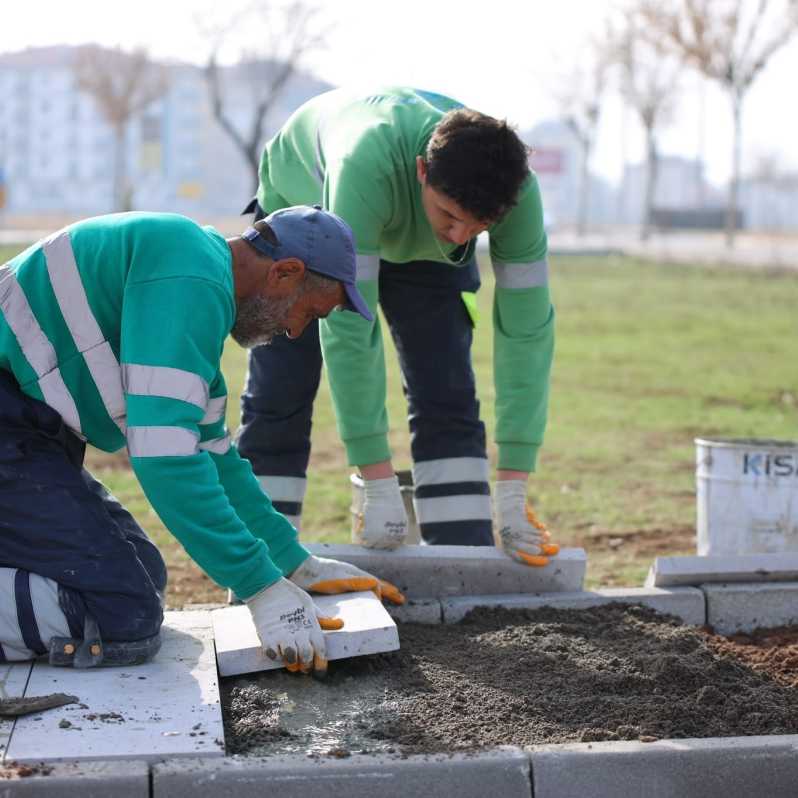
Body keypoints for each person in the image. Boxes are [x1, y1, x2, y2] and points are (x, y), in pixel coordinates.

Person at [0, 205, 403, 677]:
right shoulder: (189, 278)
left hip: (25, 428)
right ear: (285, 272)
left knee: (144, 577)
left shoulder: (195, 280)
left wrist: (292, 563)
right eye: (309, 312)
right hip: (12, 420)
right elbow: (166, 458)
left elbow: (215, 458)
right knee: (121, 615)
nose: (295, 331)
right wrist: (260, 586)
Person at [238, 86, 559, 565]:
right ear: (422, 171)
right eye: (450, 216)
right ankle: (260, 565)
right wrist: (376, 476)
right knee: (281, 393)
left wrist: (514, 483)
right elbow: (350, 330)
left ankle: (462, 564)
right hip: (309, 220)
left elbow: (527, 330)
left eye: (479, 227)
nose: (460, 237)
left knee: (445, 387)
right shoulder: (365, 164)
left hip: (409, 228)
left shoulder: (515, 193)